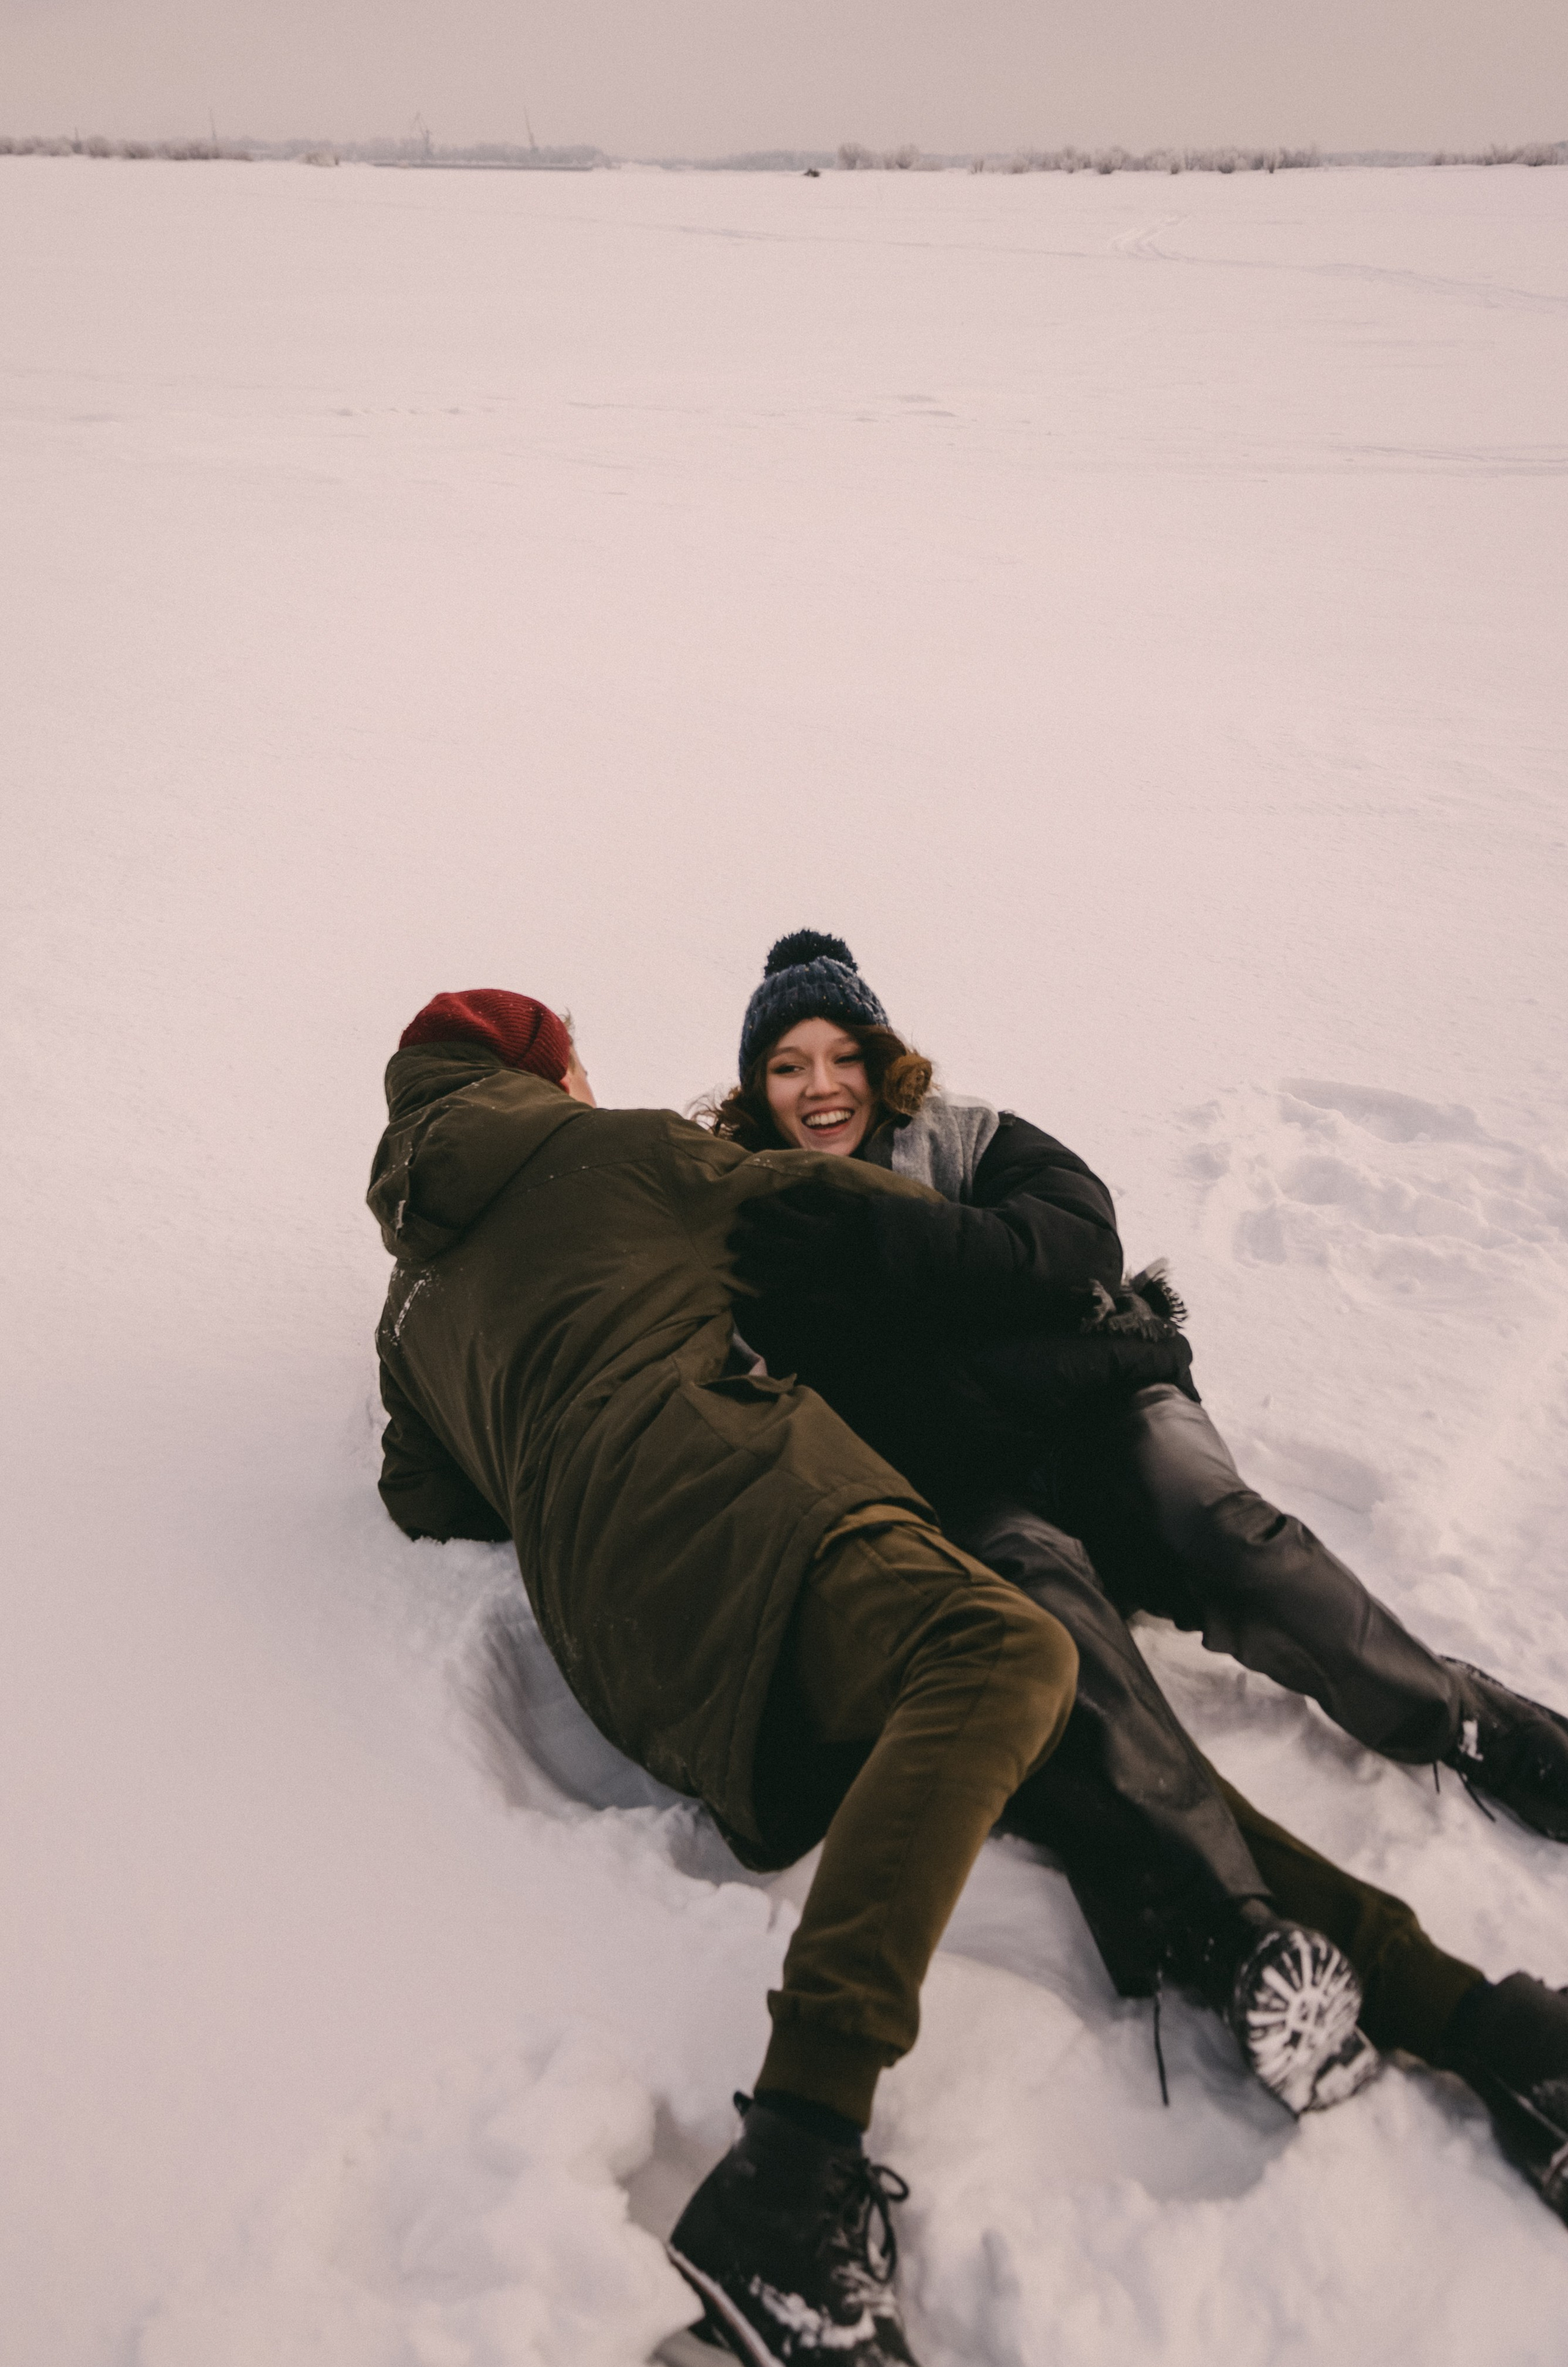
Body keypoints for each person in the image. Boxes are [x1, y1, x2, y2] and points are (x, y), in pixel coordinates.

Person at [715, 930, 1568, 2226]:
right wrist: (983, 1297)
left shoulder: (966, 1135)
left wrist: (897, 1255)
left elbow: (1076, 1240)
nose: (820, 1086)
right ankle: (1232, 1924)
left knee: (1221, 1531)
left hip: (1105, 1408)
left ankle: (1455, 1713)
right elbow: (877, 1378)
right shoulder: (759, 1211)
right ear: (756, 1085)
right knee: (1047, 1608)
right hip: (973, 1471)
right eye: (789, 1065)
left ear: (883, 1061)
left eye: (843, 1055)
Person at [369, 984, 1084, 2367]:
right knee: (1004, 1653)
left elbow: (422, 1497)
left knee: (966, 1727)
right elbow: (834, 1210)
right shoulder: (623, 1148)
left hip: (623, 1659)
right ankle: (792, 2167)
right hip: (748, 1513)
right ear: (548, 1071)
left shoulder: (406, 1309)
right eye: (575, 1061)